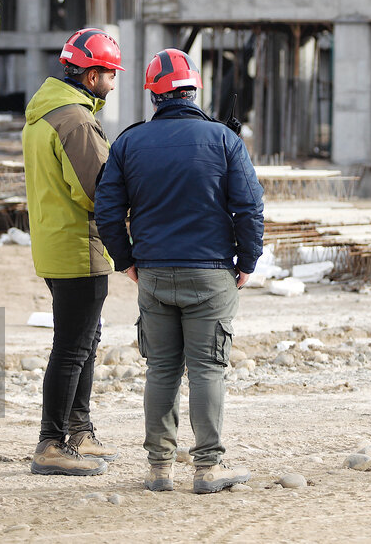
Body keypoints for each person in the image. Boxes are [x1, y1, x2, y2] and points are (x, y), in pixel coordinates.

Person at [96, 48, 264, 494]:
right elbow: (249, 207)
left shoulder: (128, 142)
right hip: (210, 273)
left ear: (153, 94)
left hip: (153, 273)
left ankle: (159, 469)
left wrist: (126, 260)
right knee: (208, 368)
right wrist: (247, 262)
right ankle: (207, 470)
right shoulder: (224, 140)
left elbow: (108, 212)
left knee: (162, 369)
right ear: (194, 90)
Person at [21, 27, 125, 476]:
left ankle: (79, 431)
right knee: (72, 346)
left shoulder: (47, 112)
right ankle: (51, 443)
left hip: (56, 241)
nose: (113, 82)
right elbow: (96, 190)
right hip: (77, 245)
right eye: (108, 73)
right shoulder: (76, 121)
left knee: (84, 340)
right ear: (89, 74)